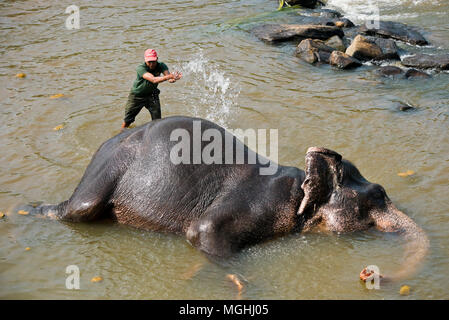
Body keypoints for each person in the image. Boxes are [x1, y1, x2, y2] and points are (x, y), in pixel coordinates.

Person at [121, 49, 182, 130]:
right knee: (128, 120)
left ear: (157, 59)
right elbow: (153, 80)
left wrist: (174, 78)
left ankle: (157, 133)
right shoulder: (141, 68)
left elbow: (169, 78)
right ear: (145, 60)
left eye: (153, 61)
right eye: (149, 61)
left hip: (152, 94)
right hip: (137, 96)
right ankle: (121, 134)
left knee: (157, 120)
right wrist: (169, 77)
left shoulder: (161, 65)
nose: (151, 64)